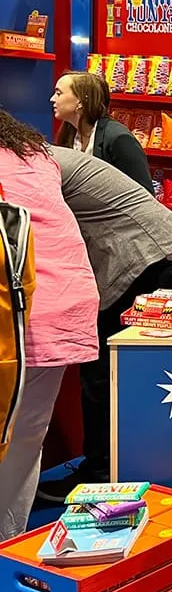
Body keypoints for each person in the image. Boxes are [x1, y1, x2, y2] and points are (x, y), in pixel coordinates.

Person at [36, 146, 172, 499]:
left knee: (101, 368)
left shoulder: (34, 166)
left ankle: (100, 475)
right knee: (119, 367)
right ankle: (124, 465)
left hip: (143, 255)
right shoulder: (42, 155)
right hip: (158, 248)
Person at [0, 111, 99, 537]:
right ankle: (9, 542)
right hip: (64, 302)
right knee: (26, 436)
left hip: (20, 307)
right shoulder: (36, 154)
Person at [51, 72, 152, 191]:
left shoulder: (118, 138)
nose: (52, 99)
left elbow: (144, 193)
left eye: (59, 93)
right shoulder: (68, 133)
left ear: (81, 101)